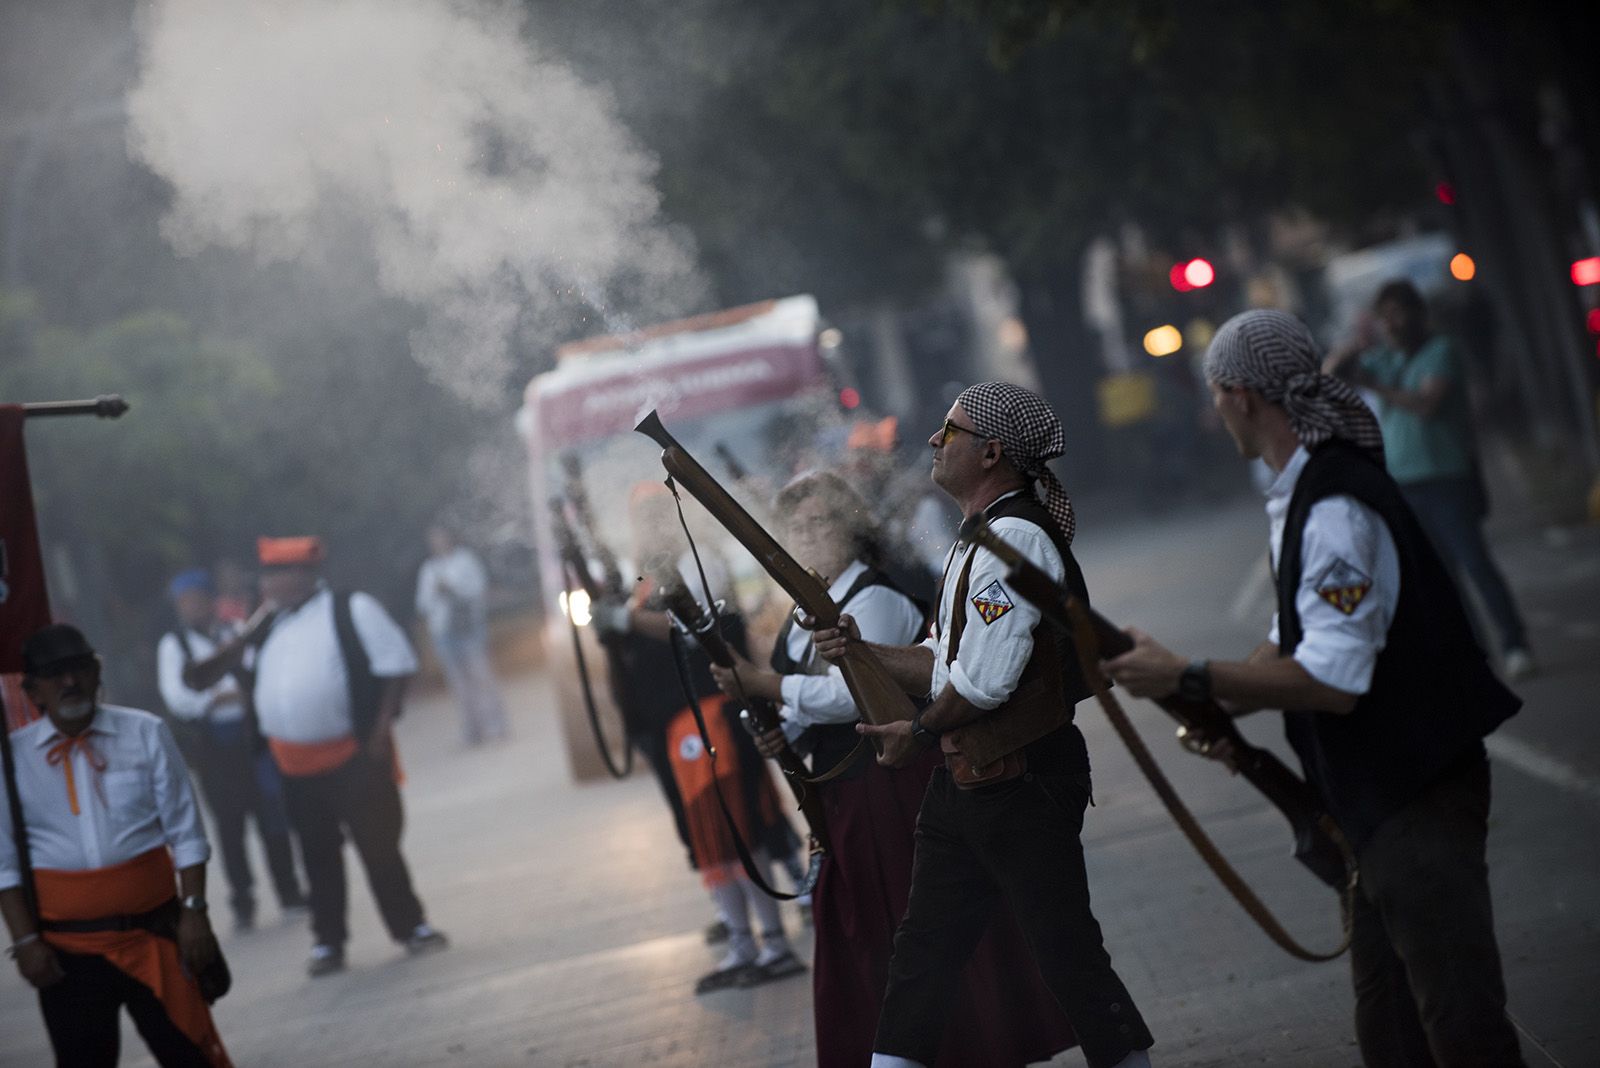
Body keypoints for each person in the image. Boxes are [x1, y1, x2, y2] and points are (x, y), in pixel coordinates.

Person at [1107, 309, 1524, 1068]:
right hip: (1373, 802)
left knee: (1462, 1030)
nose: (1212, 410)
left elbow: (1333, 681)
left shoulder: (1333, 505)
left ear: (1239, 395)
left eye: (1213, 393)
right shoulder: (1304, 494)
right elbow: (1290, 641)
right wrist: (1200, 695)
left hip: (1414, 795)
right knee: (1394, 1033)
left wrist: (1190, 676)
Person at [814, 382, 1155, 1068]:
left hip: (1023, 779)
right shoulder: (982, 537)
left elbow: (985, 682)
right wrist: (857, 649)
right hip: (971, 777)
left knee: (1066, 955)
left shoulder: (1017, 534)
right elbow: (946, 661)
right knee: (922, 955)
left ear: (992, 451)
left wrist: (915, 735)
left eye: (951, 431)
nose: (936, 442)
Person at [711, 470, 1077, 1067]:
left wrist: (765, 683)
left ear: (852, 529)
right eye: (796, 527)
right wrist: (778, 723)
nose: (807, 535)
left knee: (921, 934)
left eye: (821, 521)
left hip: (891, 790)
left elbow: (856, 693)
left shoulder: (873, 597)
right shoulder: (803, 610)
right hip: (849, 797)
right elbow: (816, 704)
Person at [187, 536, 447, 977]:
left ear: (305, 575)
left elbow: (396, 666)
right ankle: (328, 942)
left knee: (379, 847)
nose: (269, 583)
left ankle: (411, 926)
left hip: (354, 755)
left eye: (278, 574)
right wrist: (240, 643)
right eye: (266, 575)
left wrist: (380, 733)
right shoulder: (262, 626)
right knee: (317, 856)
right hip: (294, 765)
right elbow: (198, 680)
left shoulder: (351, 609)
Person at [594, 484, 804, 994]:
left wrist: (624, 618)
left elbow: (689, 628)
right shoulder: (653, 571)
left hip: (712, 712)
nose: (644, 528)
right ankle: (743, 944)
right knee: (715, 838)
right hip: (682, 722)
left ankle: (773, 944)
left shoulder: (697, 559)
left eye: (651, 516)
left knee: (738, 831)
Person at [0, 624, 232, 1067]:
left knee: (189, 1054)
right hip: (68, 955)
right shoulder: (10, 762)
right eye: (55, 675)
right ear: (33, 691)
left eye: (79, 669)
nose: (70, 682)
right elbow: (3, 862)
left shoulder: (145, 732)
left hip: (156, 935)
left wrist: (195, 912)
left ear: (96, 672)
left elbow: (186, 833)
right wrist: (25, 940)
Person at [1324, 280, 1534, 679]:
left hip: (1447, 477)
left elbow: (1425, 404)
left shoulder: (1441, 351)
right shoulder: (1385, 358)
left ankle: (1515, 641)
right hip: (1406, 482)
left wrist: (1376, 384)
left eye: (1399, 312)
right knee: (1443, 577)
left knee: (1475, 563)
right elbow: (1328, 380)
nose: (1393, 322)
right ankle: (1476, 652)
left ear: (1417, 312)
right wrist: (1353, 346)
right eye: (1385, 315)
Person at [157, 568, 305, 932]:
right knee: (229, 824)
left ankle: (289, 891)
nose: (193, 608)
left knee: (272, 815)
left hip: (250, 738)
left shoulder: (235, 632)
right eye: (185, 603)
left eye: (198, 600)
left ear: (210, 602)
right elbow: (178, 697)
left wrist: (236, 694)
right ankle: (243, 900)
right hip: (214, 747)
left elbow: (258, 674)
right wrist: (215, 698)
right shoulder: (174, 645)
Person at [414, 524, 510, 747]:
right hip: (444, 633)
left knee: (482, 677)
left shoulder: (465, 560)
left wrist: (453, 587)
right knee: (459, 684)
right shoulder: (428, 569)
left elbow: (479, 588)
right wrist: (436, 592)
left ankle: (496, 724)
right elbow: (422, 603)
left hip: (469, 629)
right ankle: (472, 729)